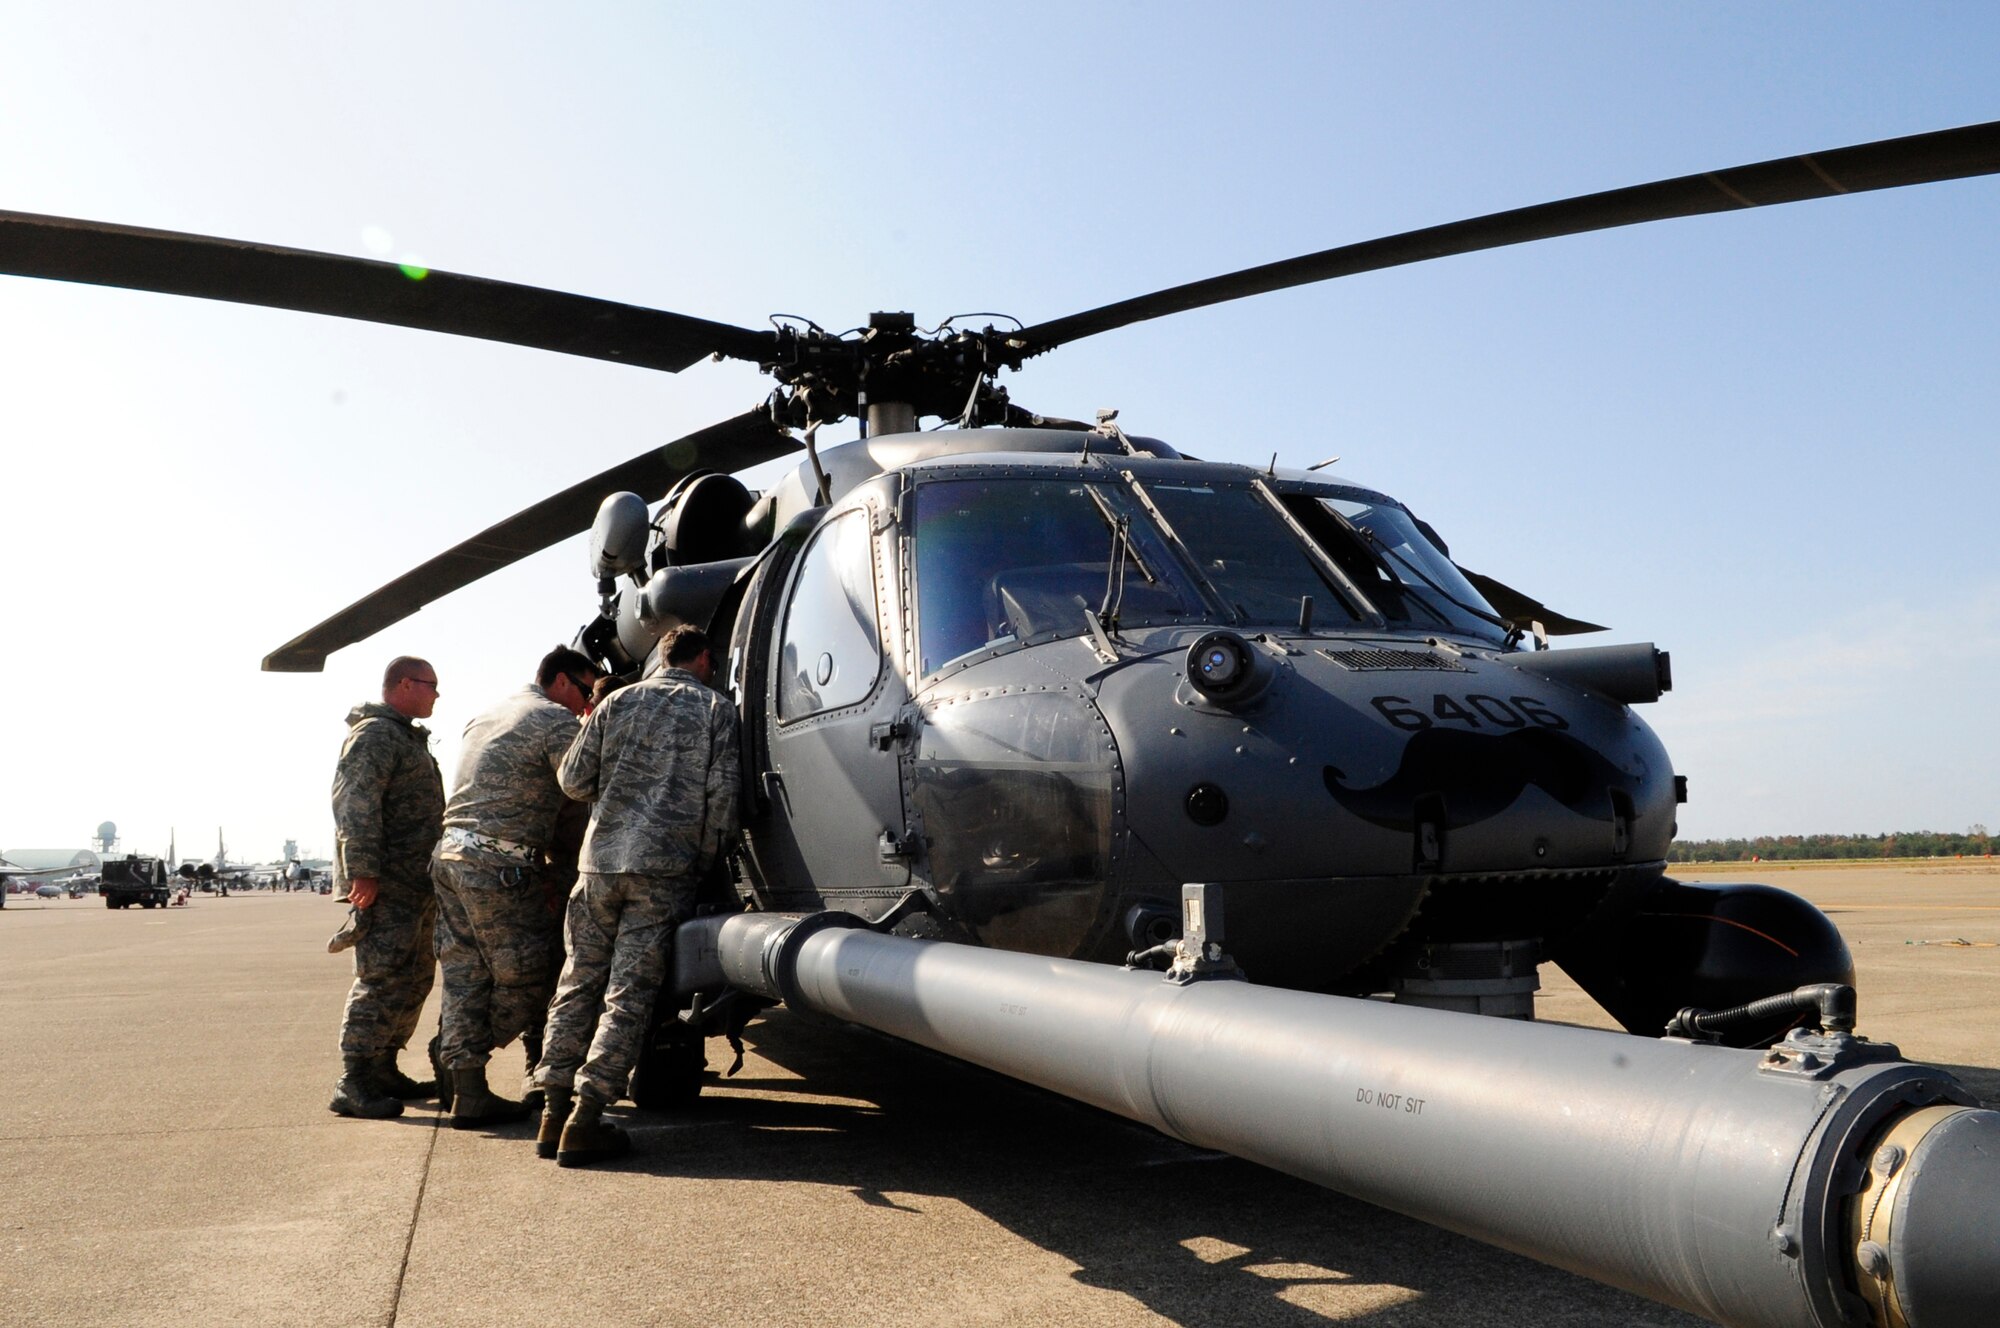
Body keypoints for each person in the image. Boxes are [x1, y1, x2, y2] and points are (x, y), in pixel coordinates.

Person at [535, 625, 739, 1165]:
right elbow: (721, 799)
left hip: (598, 867)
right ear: (701, 660)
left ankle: (552, 1111)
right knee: (628, 994)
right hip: (662, 872)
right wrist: (703, 861)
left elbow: (573, 781)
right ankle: (587, 1116)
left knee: (577, 982)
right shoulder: (715, 709)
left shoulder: (616, 702)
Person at [429, 646, 599, 1128]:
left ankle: (468, 1090)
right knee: (535, 975)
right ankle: (459, 1054)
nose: (586, 705)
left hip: (449, 858)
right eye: (585, 692)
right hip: (496, 864)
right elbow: (583, 792)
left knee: (465, 976)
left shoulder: (490, 713)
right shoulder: (555, 721)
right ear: (562, 682)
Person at [328, 656, 446, 1119]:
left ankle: (383, 1064)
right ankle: (354, 1078)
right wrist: (362, 871)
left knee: (415, 975)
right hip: (386, 881)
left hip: (414, 881)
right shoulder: (375, 735)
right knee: (381, 976)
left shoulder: (403, 736)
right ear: (402, 684)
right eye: (430, 685)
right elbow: (355, 804)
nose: (436, 694)